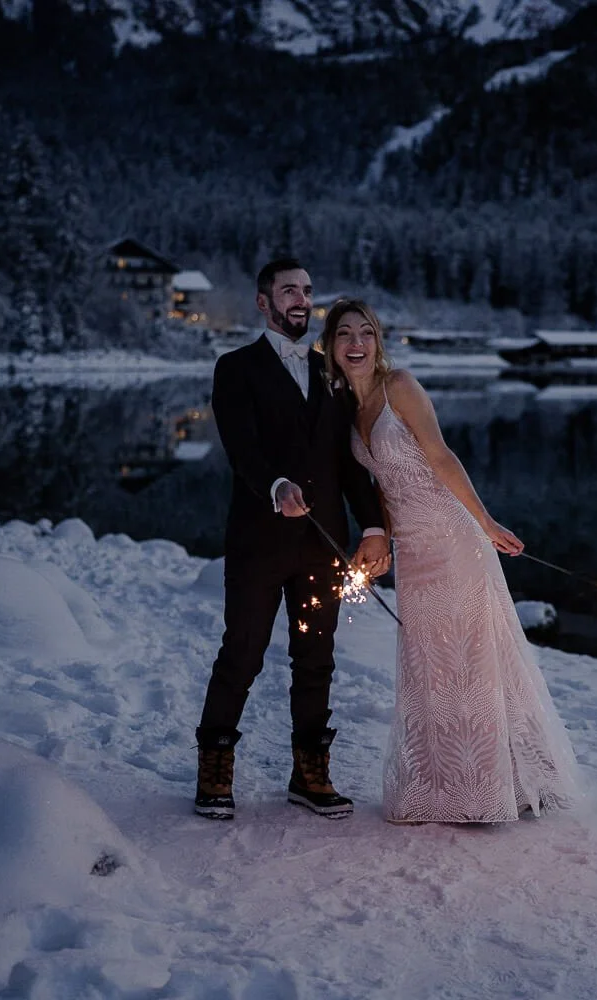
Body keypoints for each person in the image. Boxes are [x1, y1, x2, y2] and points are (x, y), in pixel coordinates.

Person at [322, 298, 582, 823]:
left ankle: (492, 790)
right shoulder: (348, 410)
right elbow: (385, 487)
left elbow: (440, 457)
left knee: (472, 665)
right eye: (344, 334)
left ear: (378, 341)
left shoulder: (402, 388)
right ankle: (442, 787)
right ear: (330, 346)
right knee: (431, 670)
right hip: (415, 553)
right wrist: (384, 542)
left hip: (454, 540)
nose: (355, 343)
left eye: (365, 333)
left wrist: (486, 525)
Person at [194, 260, 391, 821]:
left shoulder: (331, 372)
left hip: (324, 545)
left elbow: (350, 465)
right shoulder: (235, 368)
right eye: (289, 291)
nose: (302, 299)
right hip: (259, 540)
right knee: (243, 653)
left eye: (307, 290)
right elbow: (242, 448)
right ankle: (215, 767)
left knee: (317, 658)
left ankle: (309, 774)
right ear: (264, 302)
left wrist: (373, 525)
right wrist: (276, 486)